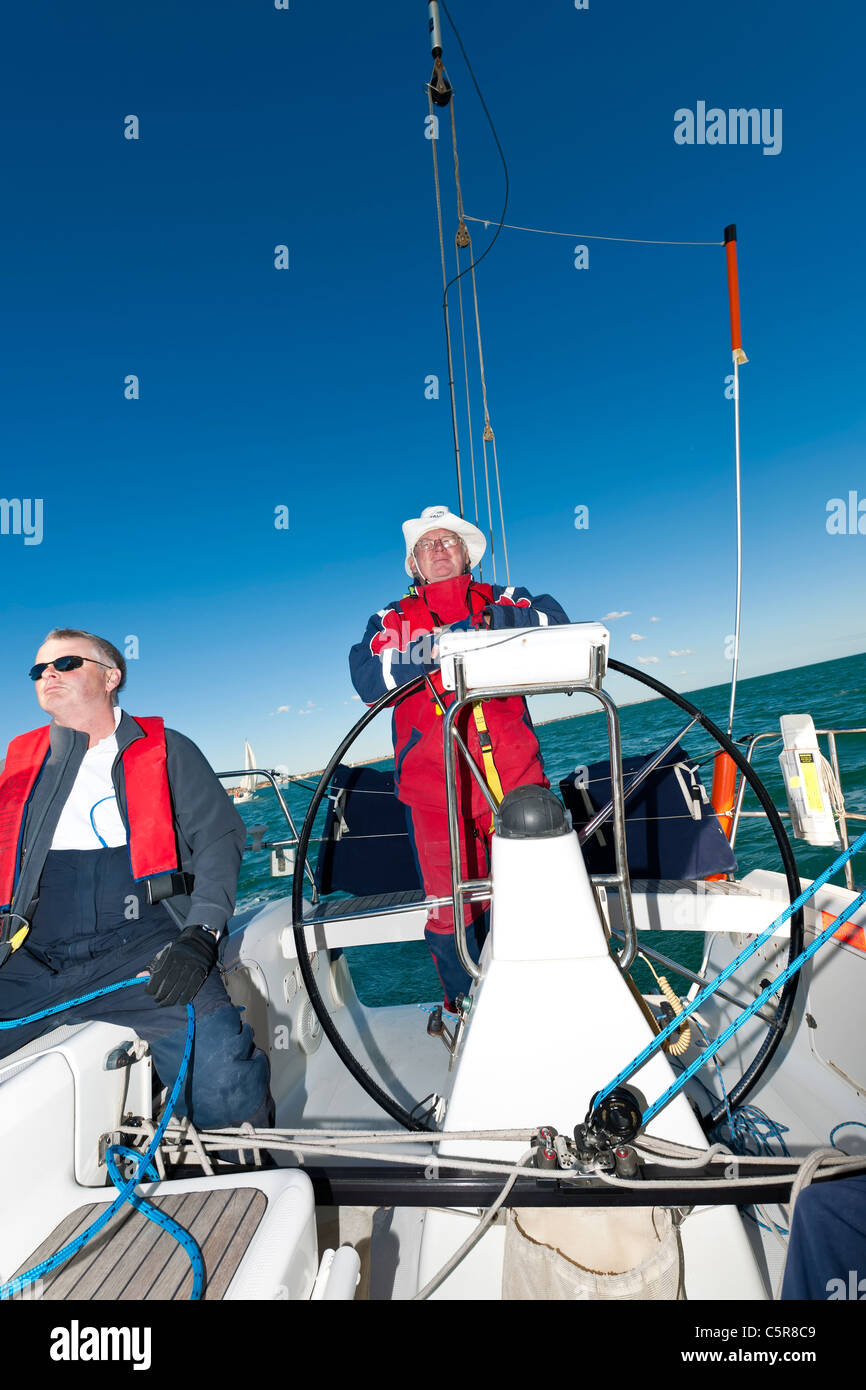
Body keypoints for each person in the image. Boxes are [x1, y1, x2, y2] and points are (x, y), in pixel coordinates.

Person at [0, 628, 273, 1133]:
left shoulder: (167, 750)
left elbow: (217, 839)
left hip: (143, 946)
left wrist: (202, 932)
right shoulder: (18, 770)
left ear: (111, 677)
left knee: (219, 1076)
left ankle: (244, 1168)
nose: (48, 676)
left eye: (65, 664)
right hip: (34, 956)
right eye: (39, 670)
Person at [350, 505, 570, 1011]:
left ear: (467, 554)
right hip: (433, 793)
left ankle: (551, 997)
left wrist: (492, 622)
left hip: (517, 781)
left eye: (449, 541)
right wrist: (446, 644)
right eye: (428, 545)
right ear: (414, 566)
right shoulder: (391, 619)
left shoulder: (504, 598)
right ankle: (465, 1006)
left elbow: (553, 624)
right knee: (451, 908)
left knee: (541, 893)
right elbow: (368, 677)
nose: (439, 549)